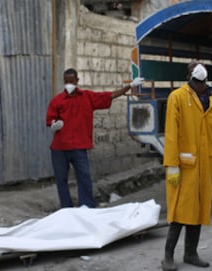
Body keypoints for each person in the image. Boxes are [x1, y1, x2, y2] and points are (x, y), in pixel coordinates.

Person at [46, 68, 144, 208]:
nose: (69, 84)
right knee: (61, 181)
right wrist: (54, 125)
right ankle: (66, 210)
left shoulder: (87, 97)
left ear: (77, 81)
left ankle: (86, 208)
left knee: (84, 178)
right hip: (59, 148)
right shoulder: (57, 101)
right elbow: (50, 120)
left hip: (79, 147)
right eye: (66, 81)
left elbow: (110, 95)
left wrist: (130, 86)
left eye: (71, 81)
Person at [161, 63, 212, 271]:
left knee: (198, 211)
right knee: (180, 211)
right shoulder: (177, 98)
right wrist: (172, 166)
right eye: (195, 83)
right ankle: (168, 256)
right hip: (184, 166)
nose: (198, 86)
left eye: (201, 83)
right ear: (190, 80)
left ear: (205, 82)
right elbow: (171, 134)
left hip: (205, 166)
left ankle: (191, 253)